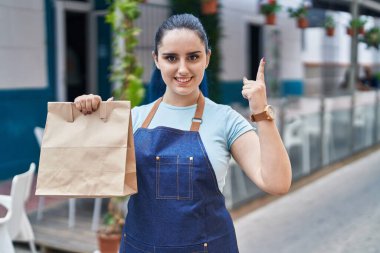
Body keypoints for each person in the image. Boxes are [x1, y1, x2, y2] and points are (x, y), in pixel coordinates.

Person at [74, 13, 291, 253]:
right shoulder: (133, 118)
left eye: (193, 57)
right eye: (171, 58)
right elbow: (92, 179)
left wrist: (262, 113)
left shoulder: (225, 120)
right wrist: (89, 121)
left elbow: (277, 183)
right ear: (156, 60)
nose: (183, 69)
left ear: (207, 58)